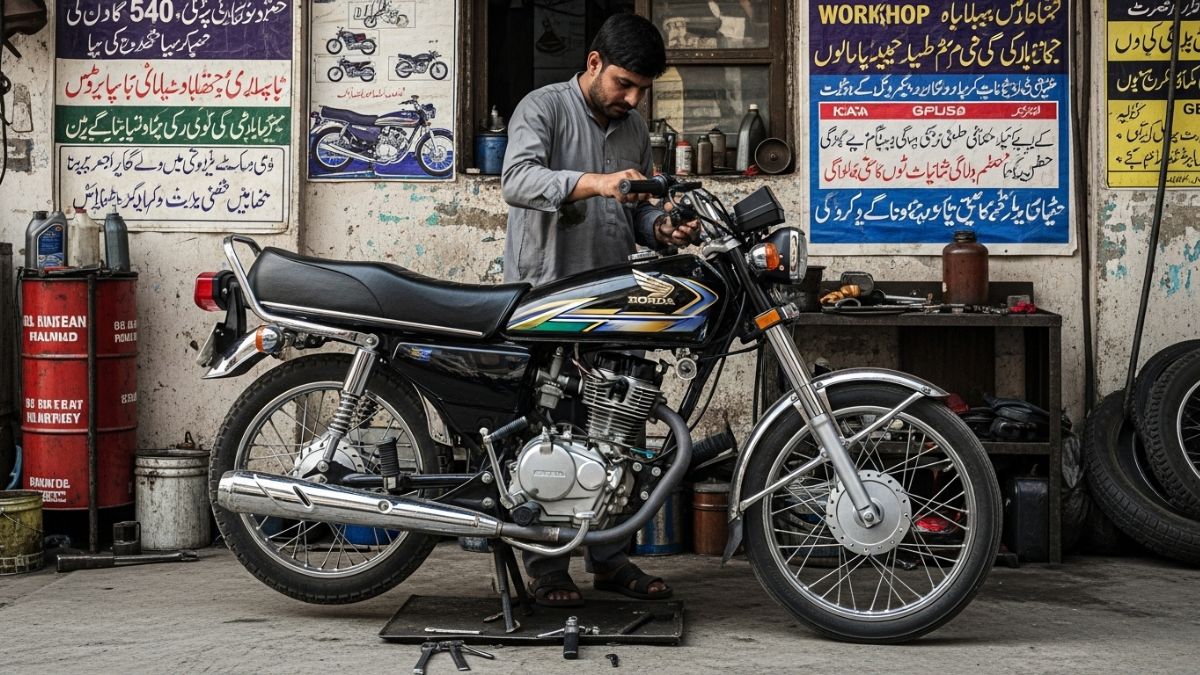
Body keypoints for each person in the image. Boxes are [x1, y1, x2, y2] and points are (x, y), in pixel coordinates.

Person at [500, 13, 697, 607]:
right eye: (624, 84)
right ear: (592, 63)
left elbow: (632, 210)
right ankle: (548, 568)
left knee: (621, 436)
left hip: (614, 301)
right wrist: (597, 181)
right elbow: (519, 180)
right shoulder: (543, 107)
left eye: (642, 89)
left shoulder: (633, 128)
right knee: (549, 435)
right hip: (546, 296)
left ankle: (611, 560)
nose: (632, 99)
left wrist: (661, 227)